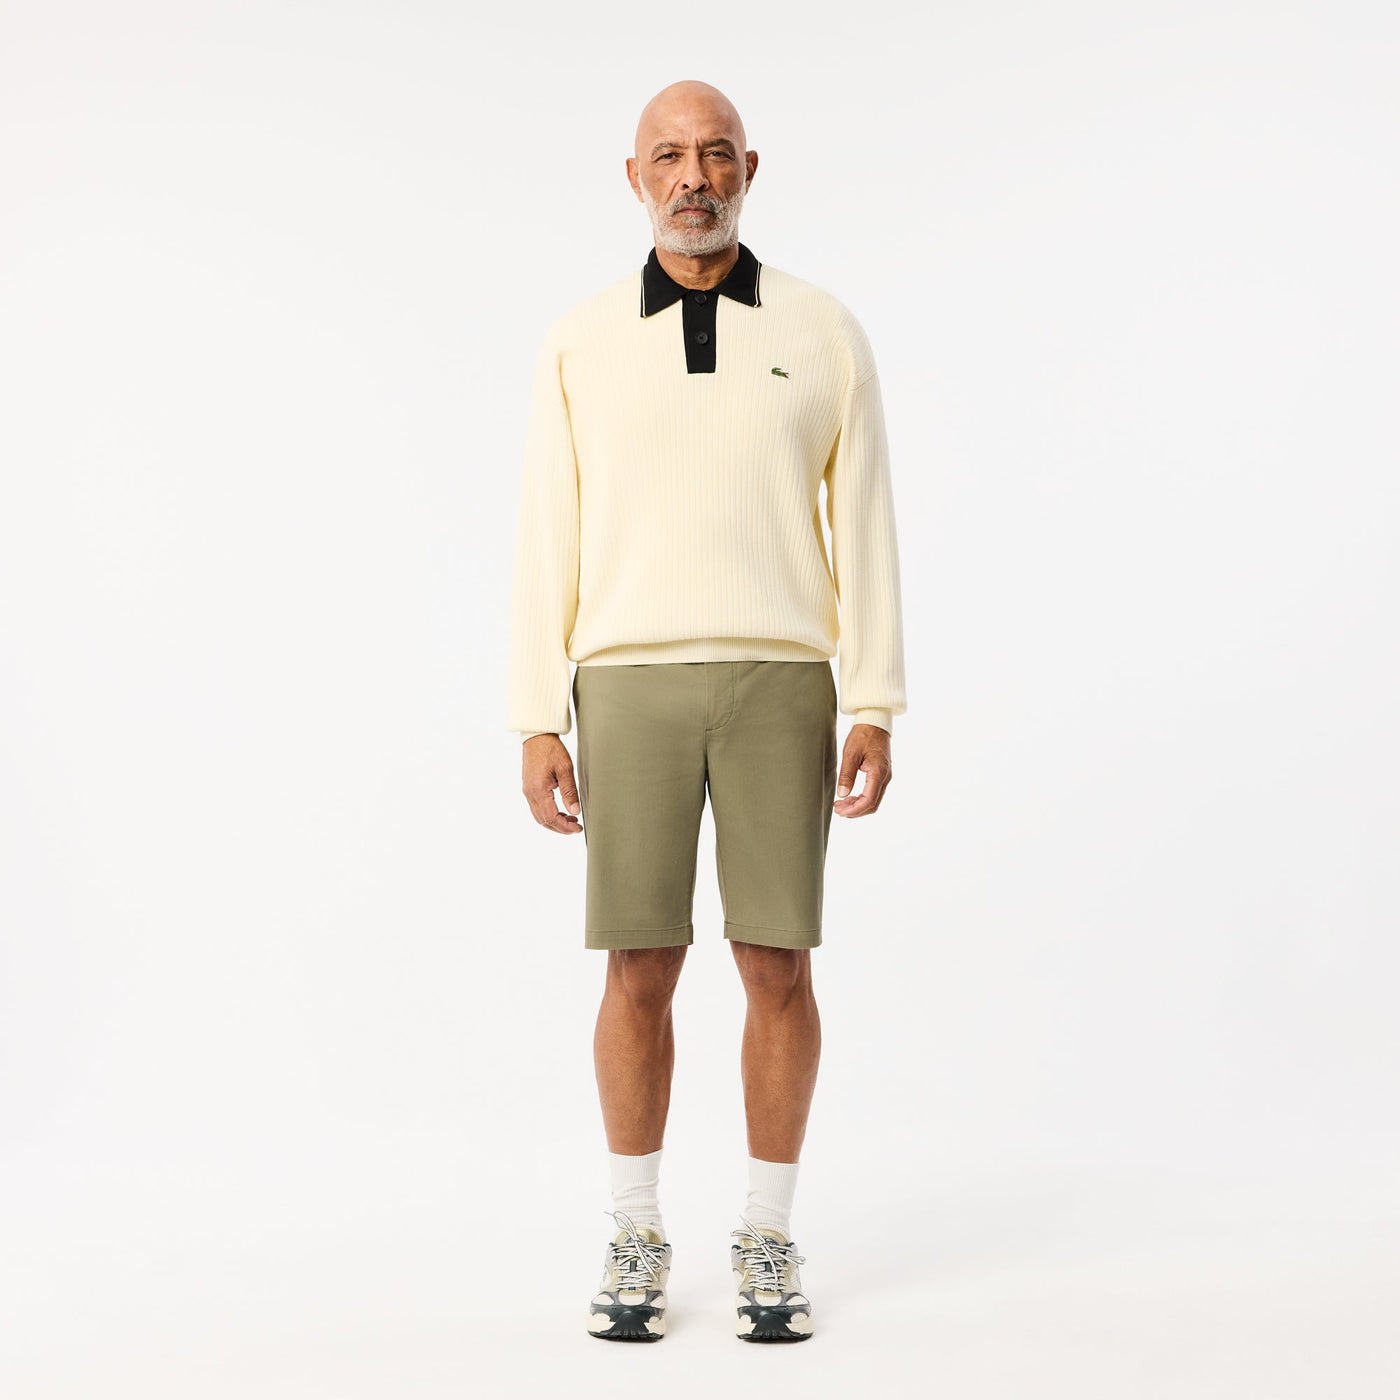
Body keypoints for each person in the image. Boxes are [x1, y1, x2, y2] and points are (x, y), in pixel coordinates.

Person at [505, 78, 907, 1343]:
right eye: (670, 156)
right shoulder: (579, 341)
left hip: (781, 678)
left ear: (748, 169)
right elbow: (546, 530)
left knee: (776, 962)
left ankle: (768, 1234)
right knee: (639, 963)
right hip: (625, 682)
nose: (694, 176)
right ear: (634, 177)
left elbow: (866, 520)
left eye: (716, 153)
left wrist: (873, 695)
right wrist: (536, 711)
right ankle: (633, 1228)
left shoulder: (822, 330)